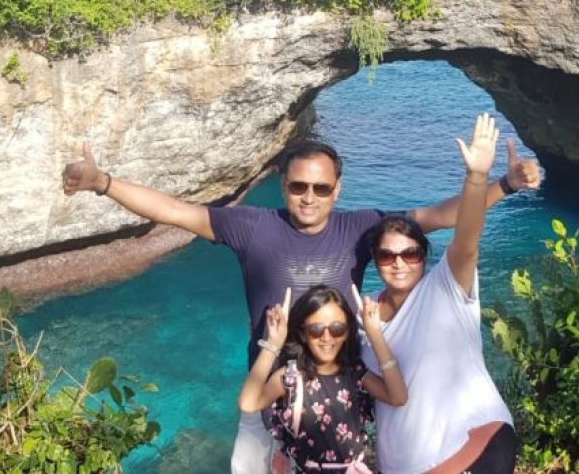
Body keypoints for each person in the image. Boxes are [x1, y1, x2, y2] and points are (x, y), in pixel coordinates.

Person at [62, 136, 539, 473]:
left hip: (338, 400)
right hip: (272, 392)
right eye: (298, 187)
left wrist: (504, 185)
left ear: (338, 190)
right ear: (283, 183)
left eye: (321, 188)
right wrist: (103, 181)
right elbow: (174, 211)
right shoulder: (252, 227)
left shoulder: (360, 228)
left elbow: (439, 217)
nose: (308, 198)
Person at [358, 113, 517, 473]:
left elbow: (467, 239)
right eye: (387, 255)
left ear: (424, 256)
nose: (399, 263)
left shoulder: (445, 288)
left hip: (473, 447)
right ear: (375, 260)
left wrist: (477, 178)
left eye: (410, 253)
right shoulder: (362, 319)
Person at [238, 284, 406, 473]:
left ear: (347, 332)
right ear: (302, 334)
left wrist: (375, 334)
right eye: (316, 329)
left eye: (337, 328)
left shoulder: (355, 371)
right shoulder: (291, 378)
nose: (327, 338)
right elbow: (248, 404)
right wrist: (273, 343)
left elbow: (398, 396)